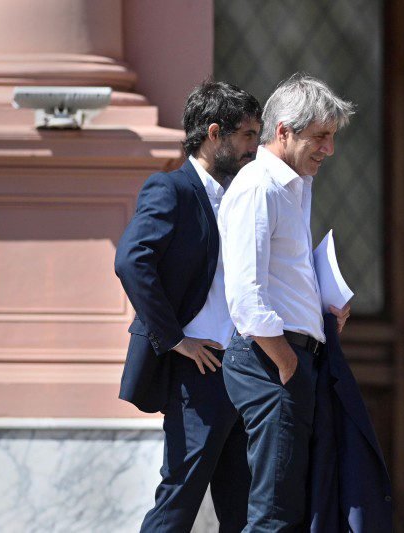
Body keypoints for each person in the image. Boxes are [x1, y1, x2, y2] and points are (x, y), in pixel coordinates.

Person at [114, 80, 261, 532]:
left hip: (243, 369)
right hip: (199, 373)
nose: (254, 147)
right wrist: (176, 339)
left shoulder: (240, 195)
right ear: (214, 133)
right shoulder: (171, 189)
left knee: (245, 507)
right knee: (178, 502)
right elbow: (131, 261)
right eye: (248, 135)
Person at [218, 73, 353, 531]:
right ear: (284, 132)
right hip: (270, 361)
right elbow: (246, 295)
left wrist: (323, 310)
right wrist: (287, 364)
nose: (328, 149)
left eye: (332, 137)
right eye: (320, 137)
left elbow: (283, 274)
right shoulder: (260, 186)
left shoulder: (293, 185)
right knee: (273, 515)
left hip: (290, 360)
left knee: (291, 509)